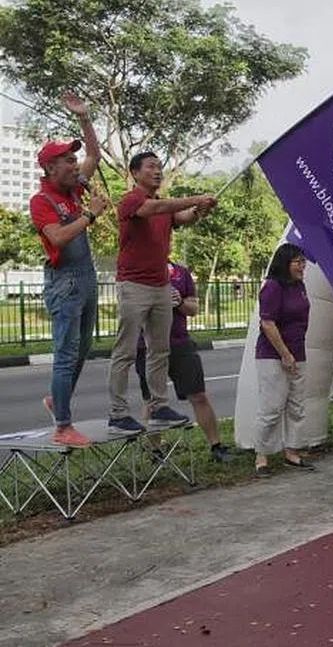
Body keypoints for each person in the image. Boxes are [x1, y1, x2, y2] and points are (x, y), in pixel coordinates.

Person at [107, 152, 216, 434]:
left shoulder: (163, 207)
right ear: (135, 173)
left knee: (159, 350)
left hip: (161, 286)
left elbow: (183, 217)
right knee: (126, 351)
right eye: (151, 167)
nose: (157, 171)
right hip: (133, 285)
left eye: (159, 167)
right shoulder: (131, 200)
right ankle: (118, 413)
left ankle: (159, 407)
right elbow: (156, 209)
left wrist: (201, 209)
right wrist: (195, 198)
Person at [30, 93, 108, 447]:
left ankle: (56, 399)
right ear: (50, 168)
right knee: (65, 354)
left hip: (86, 277)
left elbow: (95, 155)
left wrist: (85, 118)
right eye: (68, 160)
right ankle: (63, 426)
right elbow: (58, 237)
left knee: (82, 349)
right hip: (65, 282)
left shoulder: (74, 189)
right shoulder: (42, 201)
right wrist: (89, 214)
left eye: (74, 159)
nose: (76, 165)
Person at [135, 262, 234, 462]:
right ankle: (155, 451)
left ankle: (216, 446)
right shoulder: (137, 270)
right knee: (151, 400)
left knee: (198, 395)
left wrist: (179, 302)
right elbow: (130, 310)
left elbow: (194, 308)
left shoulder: (180, 273)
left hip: (180, 343)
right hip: (148, 346)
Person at [253, 244, 312, 477]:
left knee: (297, 405)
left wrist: (294, 353)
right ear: (285, 263)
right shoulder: (273, 287)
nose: (302, 267)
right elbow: (268, 323)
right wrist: (285, 354)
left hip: (298, 351)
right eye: (298, 262)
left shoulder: (299, 286)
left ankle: (292, 451)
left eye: (303, 262)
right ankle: (262, 456)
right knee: (271, 407)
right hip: (273, 355)